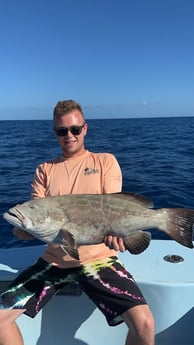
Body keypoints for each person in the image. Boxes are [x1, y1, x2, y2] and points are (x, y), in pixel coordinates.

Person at [0, 100, 154, 345]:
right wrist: (25, 230)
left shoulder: (105, 162)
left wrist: (119, 234)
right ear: (55, 133)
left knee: (145, 324)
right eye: (62, 131)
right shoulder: (44, 170)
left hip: (100, 260)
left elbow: (114, 208)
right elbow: (37, 214)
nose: (69, 135)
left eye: (75, 129)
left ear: (85, 128)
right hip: (54, 262)